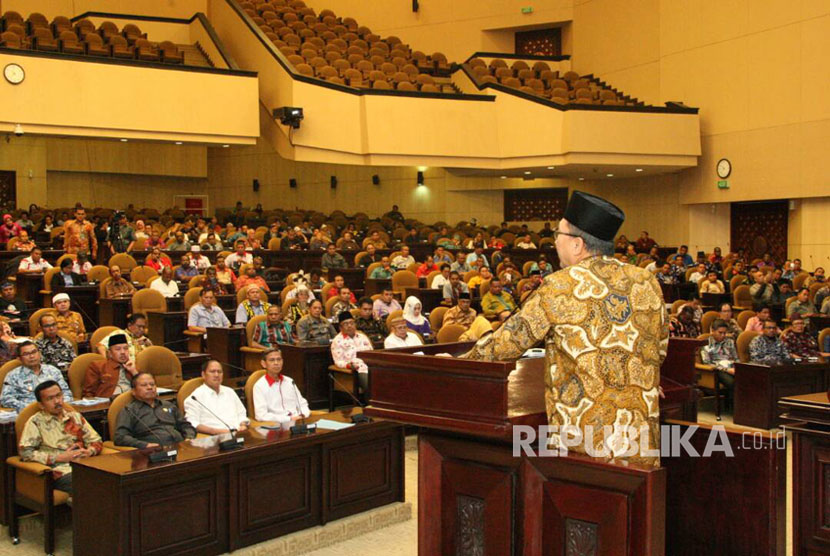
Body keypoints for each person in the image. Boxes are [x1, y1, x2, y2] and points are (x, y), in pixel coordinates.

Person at [465, 191, 667, 467]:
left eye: (558, 234)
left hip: (584, 444)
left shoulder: (560, 285)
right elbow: (660, 347)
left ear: (577, 245)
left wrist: (459, 364)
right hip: (639, 438)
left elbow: (505, 345)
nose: (554, 241)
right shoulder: (647, 280)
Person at [18, 380, 103, 494]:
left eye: (59, 396)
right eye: (50, 399)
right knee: (93, 485)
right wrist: (57, 458)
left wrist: (89, 451)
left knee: (112, 480)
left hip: (85, 465)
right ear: (41, 404)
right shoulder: (35, 422)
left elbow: (96, 440)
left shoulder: (75, 416)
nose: (57, 401)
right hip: (60, 471)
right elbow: (25, 452)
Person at [114, 373, 196, 448]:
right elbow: (120, 437)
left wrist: (189, 437)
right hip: (152, 452)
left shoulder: (168, 405)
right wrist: (145, 445)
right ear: (134, 391)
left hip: (180, 448)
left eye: (152, 384)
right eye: (144, 385)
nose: (150, 387)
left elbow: (186, 426)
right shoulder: (129, 411)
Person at [1, 341, 72, 412]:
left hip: (57, 410)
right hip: (28, 413)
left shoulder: (52, 370)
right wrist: (29, 408)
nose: (31, 356)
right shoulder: (13, 375)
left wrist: (58, 404)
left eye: (34, 352)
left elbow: (66, 392)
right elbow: (6, 399)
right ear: (19, 359)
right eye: (26, 354)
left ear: (39, 353)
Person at [184, 360, 249, 434]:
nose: (216, 375)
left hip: (239, 434)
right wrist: (215, 431)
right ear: (203, 374)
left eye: (219, 372)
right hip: (213, 438)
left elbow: (241, 413)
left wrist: (243, 425)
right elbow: (192, 423)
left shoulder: (230, 392)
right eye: (212, 371)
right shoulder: (195, 398)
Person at [252, 348, 310, 423]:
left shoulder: (289, 381)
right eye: (272, 360)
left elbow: (302, 403)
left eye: (279, 359)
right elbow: (261, 415)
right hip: (277, 426)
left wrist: (303, 415)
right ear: (263, 364)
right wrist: (288, 419)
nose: (276, 363)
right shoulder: (259, 386)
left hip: (298, 421)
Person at [84, 333, 139, 398]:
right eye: (118, 349)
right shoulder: (98, 366)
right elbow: (88, 394)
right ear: (110, 353)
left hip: (134, 403)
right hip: (109, 405)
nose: (123, 352)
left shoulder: (133, 366)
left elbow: (144, 388)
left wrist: (134, 372)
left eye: (126, 348)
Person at [330, 311, 373, 393]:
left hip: (370, 367)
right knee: (370, 384)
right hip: (356, 371)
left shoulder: (362, 336)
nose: (349, 326)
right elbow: (338, 361)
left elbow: (372, 353)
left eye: (351, 323)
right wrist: (348, 366)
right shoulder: (337, 341)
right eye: (346, 324)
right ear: (340, 327)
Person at [699, 319, 738, 404]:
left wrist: (737, 367)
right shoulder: (706, 344)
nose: (723, 335)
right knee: (733, 383)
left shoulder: (730, 342)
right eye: (720, 333)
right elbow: (708, 364)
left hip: (732, 367)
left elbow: (736, 358)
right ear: (712, 331)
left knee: (748, 379)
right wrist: (726, 370)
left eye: (725, 333)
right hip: (717, 371)